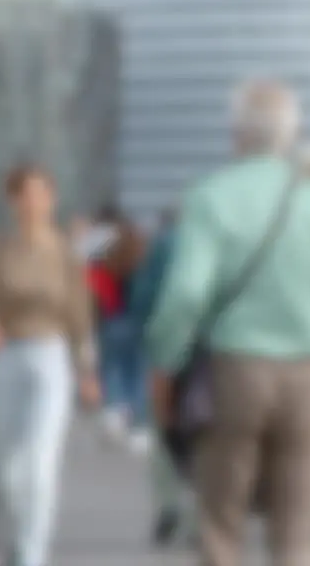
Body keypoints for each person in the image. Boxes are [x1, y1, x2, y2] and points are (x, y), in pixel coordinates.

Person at [146, 79, 310, 566]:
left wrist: (167, 359)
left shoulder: (210, 198)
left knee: (221, 525)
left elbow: (187, 293)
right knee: (298, 533)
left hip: (233, 369)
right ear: (291, 136)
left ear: (235, 135)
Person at [0, 164, 101, 566]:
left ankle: (32, 554)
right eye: (24, 194)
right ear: (12, 201)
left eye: (41, 193)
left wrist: (86, 369)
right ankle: (18, 538)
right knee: (5, 467)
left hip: (50, 356)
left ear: (52, 199)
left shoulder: (64, 253)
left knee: (40, 462)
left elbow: (80, 313)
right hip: (4, 355)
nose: (33, 202)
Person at [128, 208, 194, 547]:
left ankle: (169, 505)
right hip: (214, 353)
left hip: (167, 347)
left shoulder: (166, 243)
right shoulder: (227, 242)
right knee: (206, 431)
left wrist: (149, 334)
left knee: (164, 427)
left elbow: (142, 294)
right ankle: (201, 511)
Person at [96, 217, 151, 453]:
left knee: (112, 367)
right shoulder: (144, 260)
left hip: (113, 320)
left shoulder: (109, 259)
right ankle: (138, 424)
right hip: (139, 322)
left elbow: (98, 288)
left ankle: (115, 408)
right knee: (138, 373)